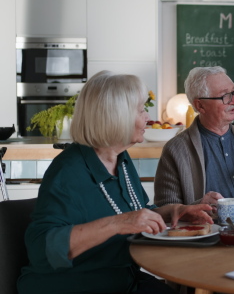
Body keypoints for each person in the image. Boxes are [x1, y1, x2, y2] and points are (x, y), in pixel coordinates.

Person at [18, 71, 214, 294]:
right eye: (141, 110)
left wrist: (175, 211)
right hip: (76, 286)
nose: (147, 117)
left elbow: (138, 214)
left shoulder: (120, 160)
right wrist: (118, 223)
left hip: (123, 281)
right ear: (117, 116)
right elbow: (42, 249)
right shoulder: (68, 171)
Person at [154, 66, 234, 207]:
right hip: (209, 228)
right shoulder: (176, 149)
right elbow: (165, 211)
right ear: (200, 106)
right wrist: (199, 206)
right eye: (225, 96)